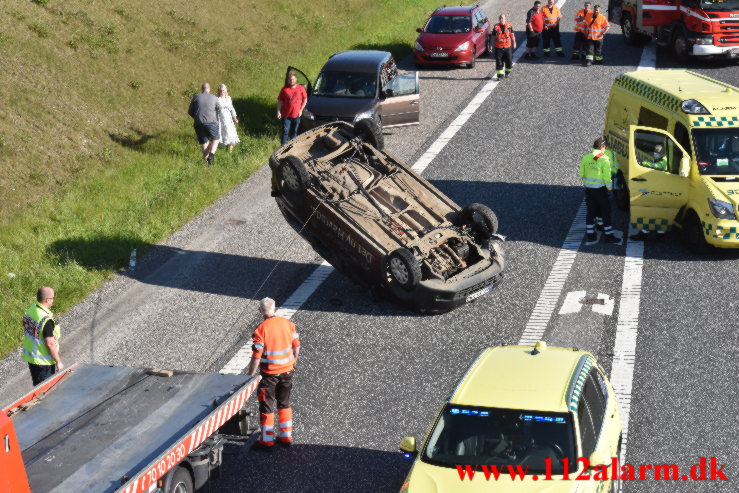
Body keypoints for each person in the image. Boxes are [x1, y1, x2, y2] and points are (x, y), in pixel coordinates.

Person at [248, 297, 300, 450]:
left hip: (269, 375)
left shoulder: (260, 330)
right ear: (274, 308)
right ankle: (286, 437)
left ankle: (267, 441)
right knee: (284, 404)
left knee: (267, 407)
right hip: (287, 372)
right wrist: (294, 362)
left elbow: (256, 357)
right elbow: (296, 346)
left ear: (260, 311)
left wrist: (250, 376)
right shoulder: (288, 324)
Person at [581, 137, 620, 244]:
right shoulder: (604, 159)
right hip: (601, 190)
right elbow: (607, 178)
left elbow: (582, 174)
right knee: (606, 212)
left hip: (589, 190)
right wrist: (610, 189)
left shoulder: (586, 157)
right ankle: (608, 235)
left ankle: (590, 235)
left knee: (591, 212)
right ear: (602, 147)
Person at [22, 287, 63, 386]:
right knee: (45, 392)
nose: (53, 300)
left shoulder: (32, 309)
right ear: (47, 300)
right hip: (43, 362)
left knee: (38, 386)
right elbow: (50, 344)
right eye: (53, 298)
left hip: (32, 357)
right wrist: (58, 361)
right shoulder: (46, 319)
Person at [630, 145, 668, 241]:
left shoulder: (663, 162)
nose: (655, 153)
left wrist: (642, 163)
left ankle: (644, 233)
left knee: (649, 212)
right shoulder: (662, 159)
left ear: (663, 153)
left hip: (659, 190)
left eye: (657, 152)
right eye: (654, 151)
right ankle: (660, 234)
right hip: (662, 189)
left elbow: (654, 166)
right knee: (660, 213)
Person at [188, 82, 220, 164]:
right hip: (212, 123)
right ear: (209, 89)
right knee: (216, 139)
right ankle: (211, 155)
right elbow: (219, 110)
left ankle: (207, 163)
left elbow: (190, 112)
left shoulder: (196, 97)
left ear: (202, 89)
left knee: (204, 142)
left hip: (199, 123)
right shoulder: (215, 98)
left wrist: (197, 118)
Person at [277, 72, 308, 146]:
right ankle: (282, 148)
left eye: (293, 79)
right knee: (285, 131)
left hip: (296, 114)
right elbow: (280, 101)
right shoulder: (284, 89)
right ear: (288, 80)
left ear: (296, 79)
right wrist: (278, 112)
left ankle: (293, 147)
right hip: (286, 115)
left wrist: (301, 110)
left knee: (294, 131)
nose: (292, 81)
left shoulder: (301, 88)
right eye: (290, 80)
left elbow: (305, 99)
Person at [216, 84, 240, 152]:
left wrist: (234, 118)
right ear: (218, 91)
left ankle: (229, 152)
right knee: (222, 134)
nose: (222, 92)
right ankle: (219, 149)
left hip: (228, 118)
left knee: (230, 133)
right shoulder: (216, 98)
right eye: (220, 90)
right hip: (220, 119)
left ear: (225, 90)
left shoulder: (228, 98)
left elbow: (232, 108)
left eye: (223, 90)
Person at [492, 14, 516, 80]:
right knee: (499, 61)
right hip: (498, 47)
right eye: (500, 18)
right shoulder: (496, 26)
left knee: (509, 61)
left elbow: (512, 35)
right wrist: (491, 45)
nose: (501, 19)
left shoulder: (509, 26)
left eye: (502, 18)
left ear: (505, 18)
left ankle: (507, 72)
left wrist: (514, 43)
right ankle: (500, 75)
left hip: (507, 47)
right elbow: (493, 37)